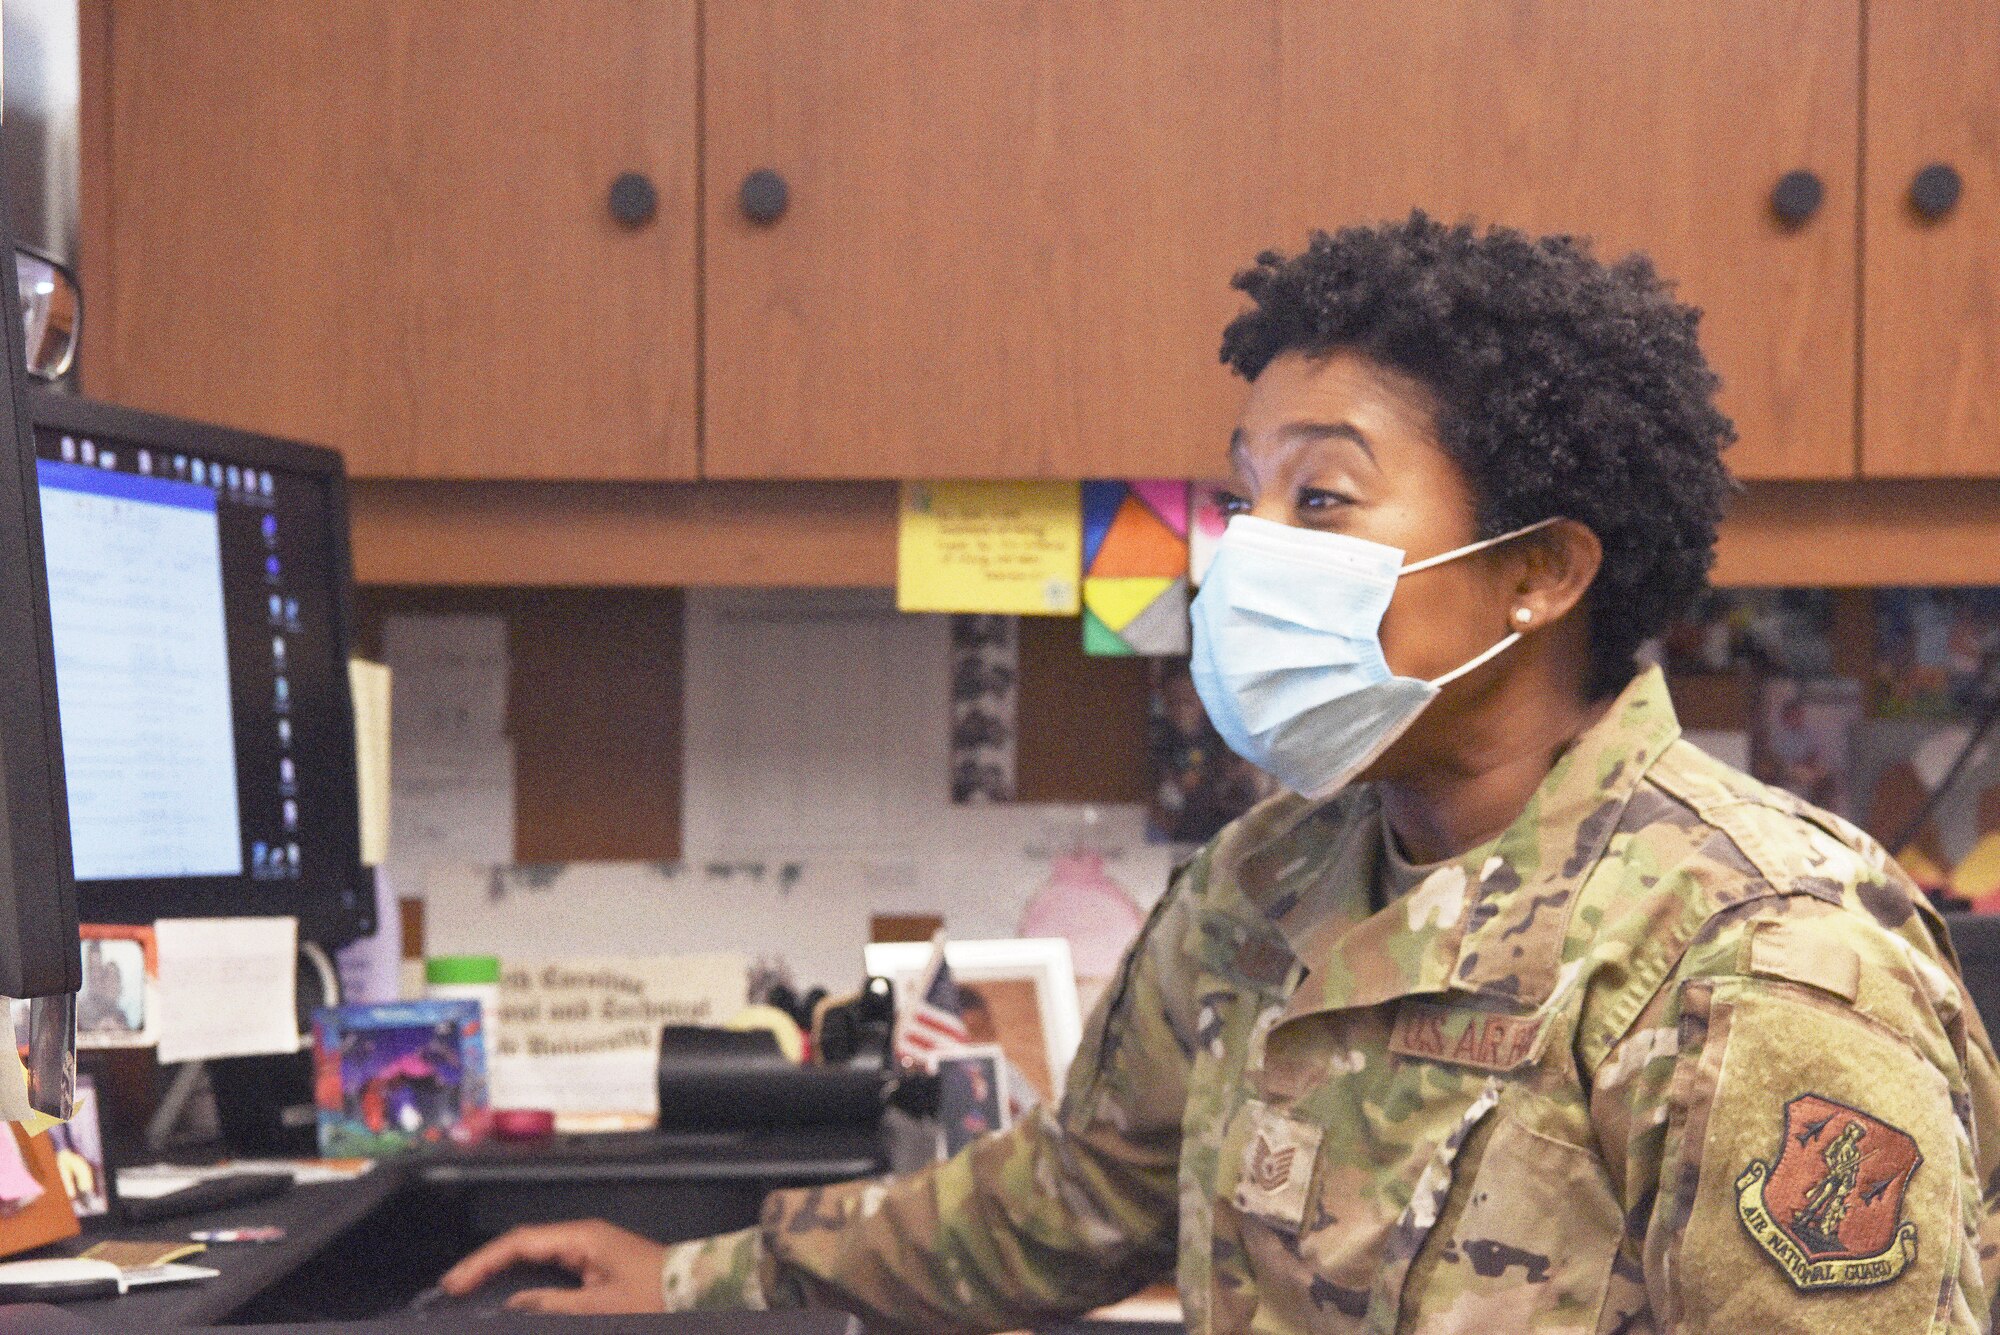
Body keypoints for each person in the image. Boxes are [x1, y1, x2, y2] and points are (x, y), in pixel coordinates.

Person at [441, 214, 2000, 1331]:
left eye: (1323, 497)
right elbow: (1076, 1197)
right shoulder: (1271, 880)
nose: (1248, 554)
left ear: (1537, 575)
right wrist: (708, 1277)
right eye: (1244, 493)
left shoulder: (1763, 960)